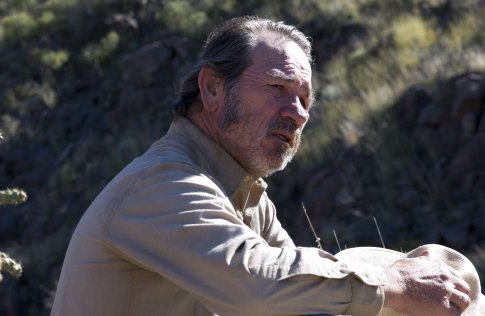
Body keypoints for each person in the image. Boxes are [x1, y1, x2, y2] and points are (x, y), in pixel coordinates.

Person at [51, 16, 474, 316]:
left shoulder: (247, 196)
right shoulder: (163, 184)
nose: (299, 113)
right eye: (278, 87)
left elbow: (297, 300)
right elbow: (257, 285)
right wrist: (394, 282)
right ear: (213, 88)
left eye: (305, 100)